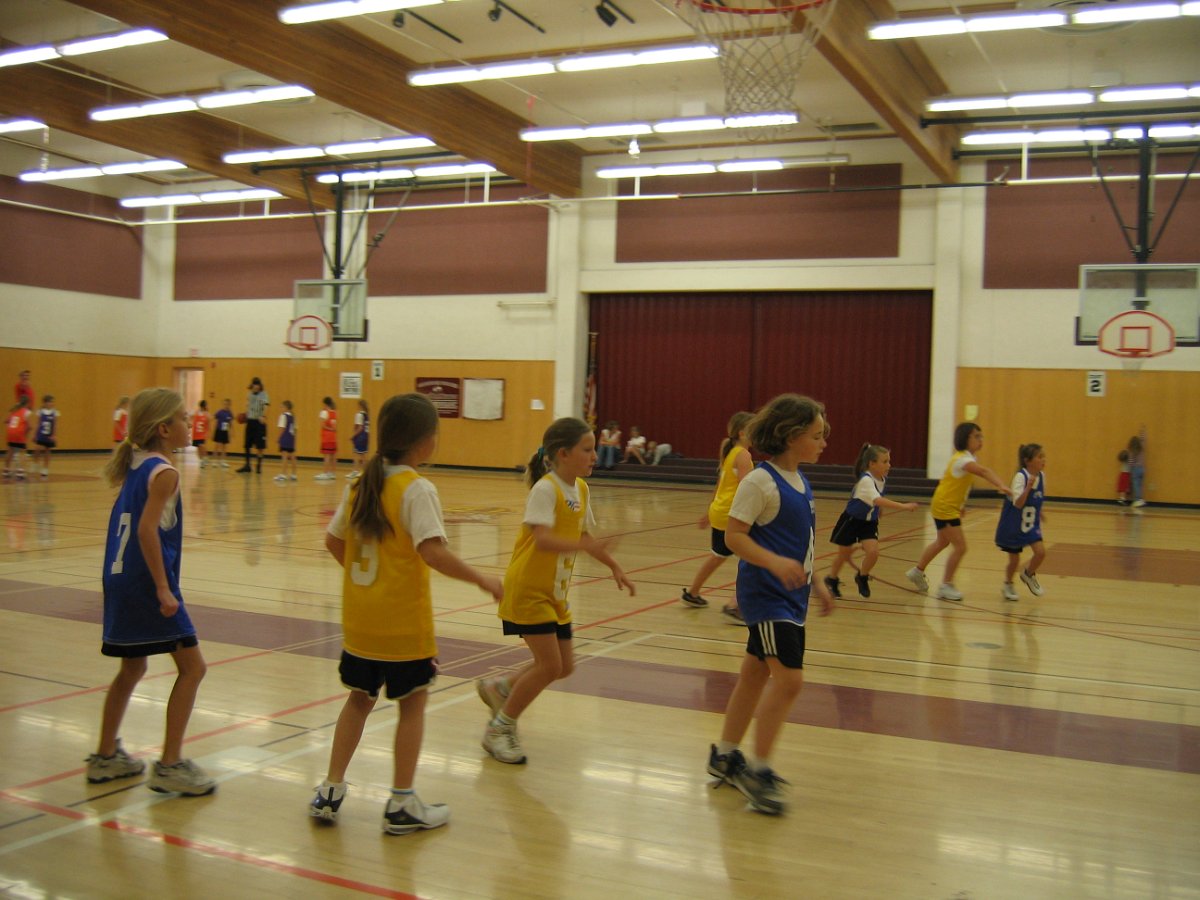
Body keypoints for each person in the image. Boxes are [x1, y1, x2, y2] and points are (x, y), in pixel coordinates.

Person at [311, 393, 503, 834]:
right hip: (402, 626)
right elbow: (433, 552)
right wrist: (483, 579)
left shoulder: (360, 484)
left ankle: (330, 789)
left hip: (360, 624)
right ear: (426, 441)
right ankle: (401, 803)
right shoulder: (416, 489)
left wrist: (366, 583)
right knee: (412, 706)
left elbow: (334, 541)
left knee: (359, 700)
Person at [476, 417, 635, 765]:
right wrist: (586, 548)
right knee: (549, 666)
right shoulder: (545, 489)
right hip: (529, 589)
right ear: (563, 454)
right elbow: (543, 539)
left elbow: (585, 537)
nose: (595, 456)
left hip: (555, 592)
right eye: (587, 449)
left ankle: (500, 689)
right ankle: (499, 729)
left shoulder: (581, 489)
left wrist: (613, 565)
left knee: (563, 667)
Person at [706, 394, 834, 816]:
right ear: (792, 435)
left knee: (754, 675)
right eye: (817, 435)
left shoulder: (800, 481)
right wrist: (774, 563)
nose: (823, 443)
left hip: (792, 596)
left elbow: (802, 544)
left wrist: (816, 581)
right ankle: (758, 772)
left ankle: (726, 755)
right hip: (766, 595)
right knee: (790, 681)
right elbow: (733, 537)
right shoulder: (760, 481)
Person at [86, 388, 215, 796]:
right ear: (163, 429)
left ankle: (105, 756)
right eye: (182, 418)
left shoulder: (137, 464)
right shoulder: (165, 473)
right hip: (145, 583)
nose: (189, 423)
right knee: (193, 669)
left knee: (133, 668)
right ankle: (170, 765)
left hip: (118, 579)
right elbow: (146, 531)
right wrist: (163, 587)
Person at [906, 422, 1013, 602]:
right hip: (945, 507)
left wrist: (961, 506)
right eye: (976, 436)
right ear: (965, 438)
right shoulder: (963, 460)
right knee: (961, 547)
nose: (980, 439)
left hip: (946, 505)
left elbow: (958, 486)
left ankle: (917, 571)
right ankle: (945, 585)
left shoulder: (967, 459)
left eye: (981, 436)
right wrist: (1001, 485)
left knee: (942, 542)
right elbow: (984, 471)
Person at [681, 411, 754, 623]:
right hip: (733, 513)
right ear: (742, 432)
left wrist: (709, 510)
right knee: (752, 560)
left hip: (720, 511)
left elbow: (721, 484)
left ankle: (692, 593)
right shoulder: (743, 455)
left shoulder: (729, 450)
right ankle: (735, 605)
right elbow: (747, 488)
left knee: (718, 555)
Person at [825, 444, 919, 600]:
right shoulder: (866, 481)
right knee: (843, 555)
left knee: (873, 552)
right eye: (885, 462)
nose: (889, 465)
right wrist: (904, 506)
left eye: (889, 461)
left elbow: (877, 498)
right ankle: (832, 579)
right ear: (872, 464)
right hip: (851, 521)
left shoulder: (882, 478)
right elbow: (877, 499)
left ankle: (862, 576)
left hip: (869, 522)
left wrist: (878, 510)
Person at [996, 444, 1048, 601]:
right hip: (1013, 524)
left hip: (1030, 524)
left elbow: (1036, 500)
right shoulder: (1020, 477)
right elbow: (1018, 504)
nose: (1043, 460)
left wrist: (1040, 512)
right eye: (1040, 457)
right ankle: (1008, 585)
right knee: (1014, 560)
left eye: (1043, 456)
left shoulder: (1042, 476)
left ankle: (1028, 574)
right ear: (1028, 461)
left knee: (1041, 552)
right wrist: (1028, 488)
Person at [237, 378, 269, 474]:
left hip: (259, 422)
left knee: (260, 446)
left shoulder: (264, 394)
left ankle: (258, 465)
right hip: (250, 421)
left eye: (257, 385)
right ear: (252, 385)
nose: (256, 386)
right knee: (247, 445)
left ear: (259, 386)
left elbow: (266, 406)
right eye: (254, 384)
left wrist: (263, 416)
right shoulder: (249, 394)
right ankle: (247, 465)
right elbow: (248, 406)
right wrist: (245, 414)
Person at [4, 396, 32, 480]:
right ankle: (20, 472)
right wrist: (25, 435)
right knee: (22, 452)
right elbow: (29, 426)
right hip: (19, 433)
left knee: (10, 451)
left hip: (10, 432)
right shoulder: (26, 412)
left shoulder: (14, 410)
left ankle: (6, 470)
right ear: (27, 403)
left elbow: (6, 421)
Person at [33, 394, 59, 478]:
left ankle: (45, 469)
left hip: (49, 434)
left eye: (52, 402)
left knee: (47, 451)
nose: (51, 403)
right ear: (45, 403)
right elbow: (38, 423)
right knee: (37, 449)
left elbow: (55, 424)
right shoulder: (40, 411)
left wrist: (54, 435)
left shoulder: (55, 412)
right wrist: (35, 434)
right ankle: (36, 463)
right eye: (50, 402)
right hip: (41, 433)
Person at [274, 400, 298, 483]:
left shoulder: (283, 416)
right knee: (292, 457)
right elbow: (295, 430)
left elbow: (282, 428)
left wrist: (278, 438)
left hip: (285, 438)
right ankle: (294, 474)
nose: (281, 408)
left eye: (282, 407)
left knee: (284, 456)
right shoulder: (293, 417)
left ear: (286, 407)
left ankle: (283, 474)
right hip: (291, 438)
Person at [316, 396, 338, 481]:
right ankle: (332, 473)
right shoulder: (334, 412)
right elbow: (334, 426)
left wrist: (330, 429)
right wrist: (332, 429)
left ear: (325, 404)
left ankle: (325, 473)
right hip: (333, 437)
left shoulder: (324, 412)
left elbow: (323, 425)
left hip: (326, 437)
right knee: (332, 455)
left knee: (327, 456)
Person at [349, 399, 370, 480]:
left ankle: (355, 471)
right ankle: (365, 472)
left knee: (357, 455)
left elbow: (360, 427)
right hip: (366, 436)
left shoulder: (359, 415)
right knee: (363, 455)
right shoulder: (366, 415)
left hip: (360, 437)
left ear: (360, 406)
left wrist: (353, 435)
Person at [1126, 427, 1147, 508]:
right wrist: (1142, 432)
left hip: (1135, 469)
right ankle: (1140, 499)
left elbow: (1130, 463)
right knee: (1140, 485)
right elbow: (1143, 440)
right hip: (1142, 469)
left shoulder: (1131, 452)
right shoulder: (1141, 449)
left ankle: (1137, 500)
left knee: (1136, 485)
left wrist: (1129, 470)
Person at [212, 398, 233, 468]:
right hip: (219, 430)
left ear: (229, 405)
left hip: (225, 430)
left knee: (224, 447)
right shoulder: (219, 412)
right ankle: (214, 461)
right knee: (217, 446)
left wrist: (231, 432)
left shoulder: (230, 413)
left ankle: (223, 461)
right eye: (224, 404)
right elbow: (214, 418)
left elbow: (230, 423)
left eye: (227, 404)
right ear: (223, 404)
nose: (226, 405)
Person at [191, 400, 210, 467]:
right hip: (196, 433)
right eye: (207, 405)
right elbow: (190, 417)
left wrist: (208, 432)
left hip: (202, 433)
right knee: (198, 448)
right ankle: (201, 460)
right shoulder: (196, 412)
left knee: (202, 446)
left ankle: (205, 458)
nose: (208, 406)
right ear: (204, 406)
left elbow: (208, 424)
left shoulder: (207, 414)